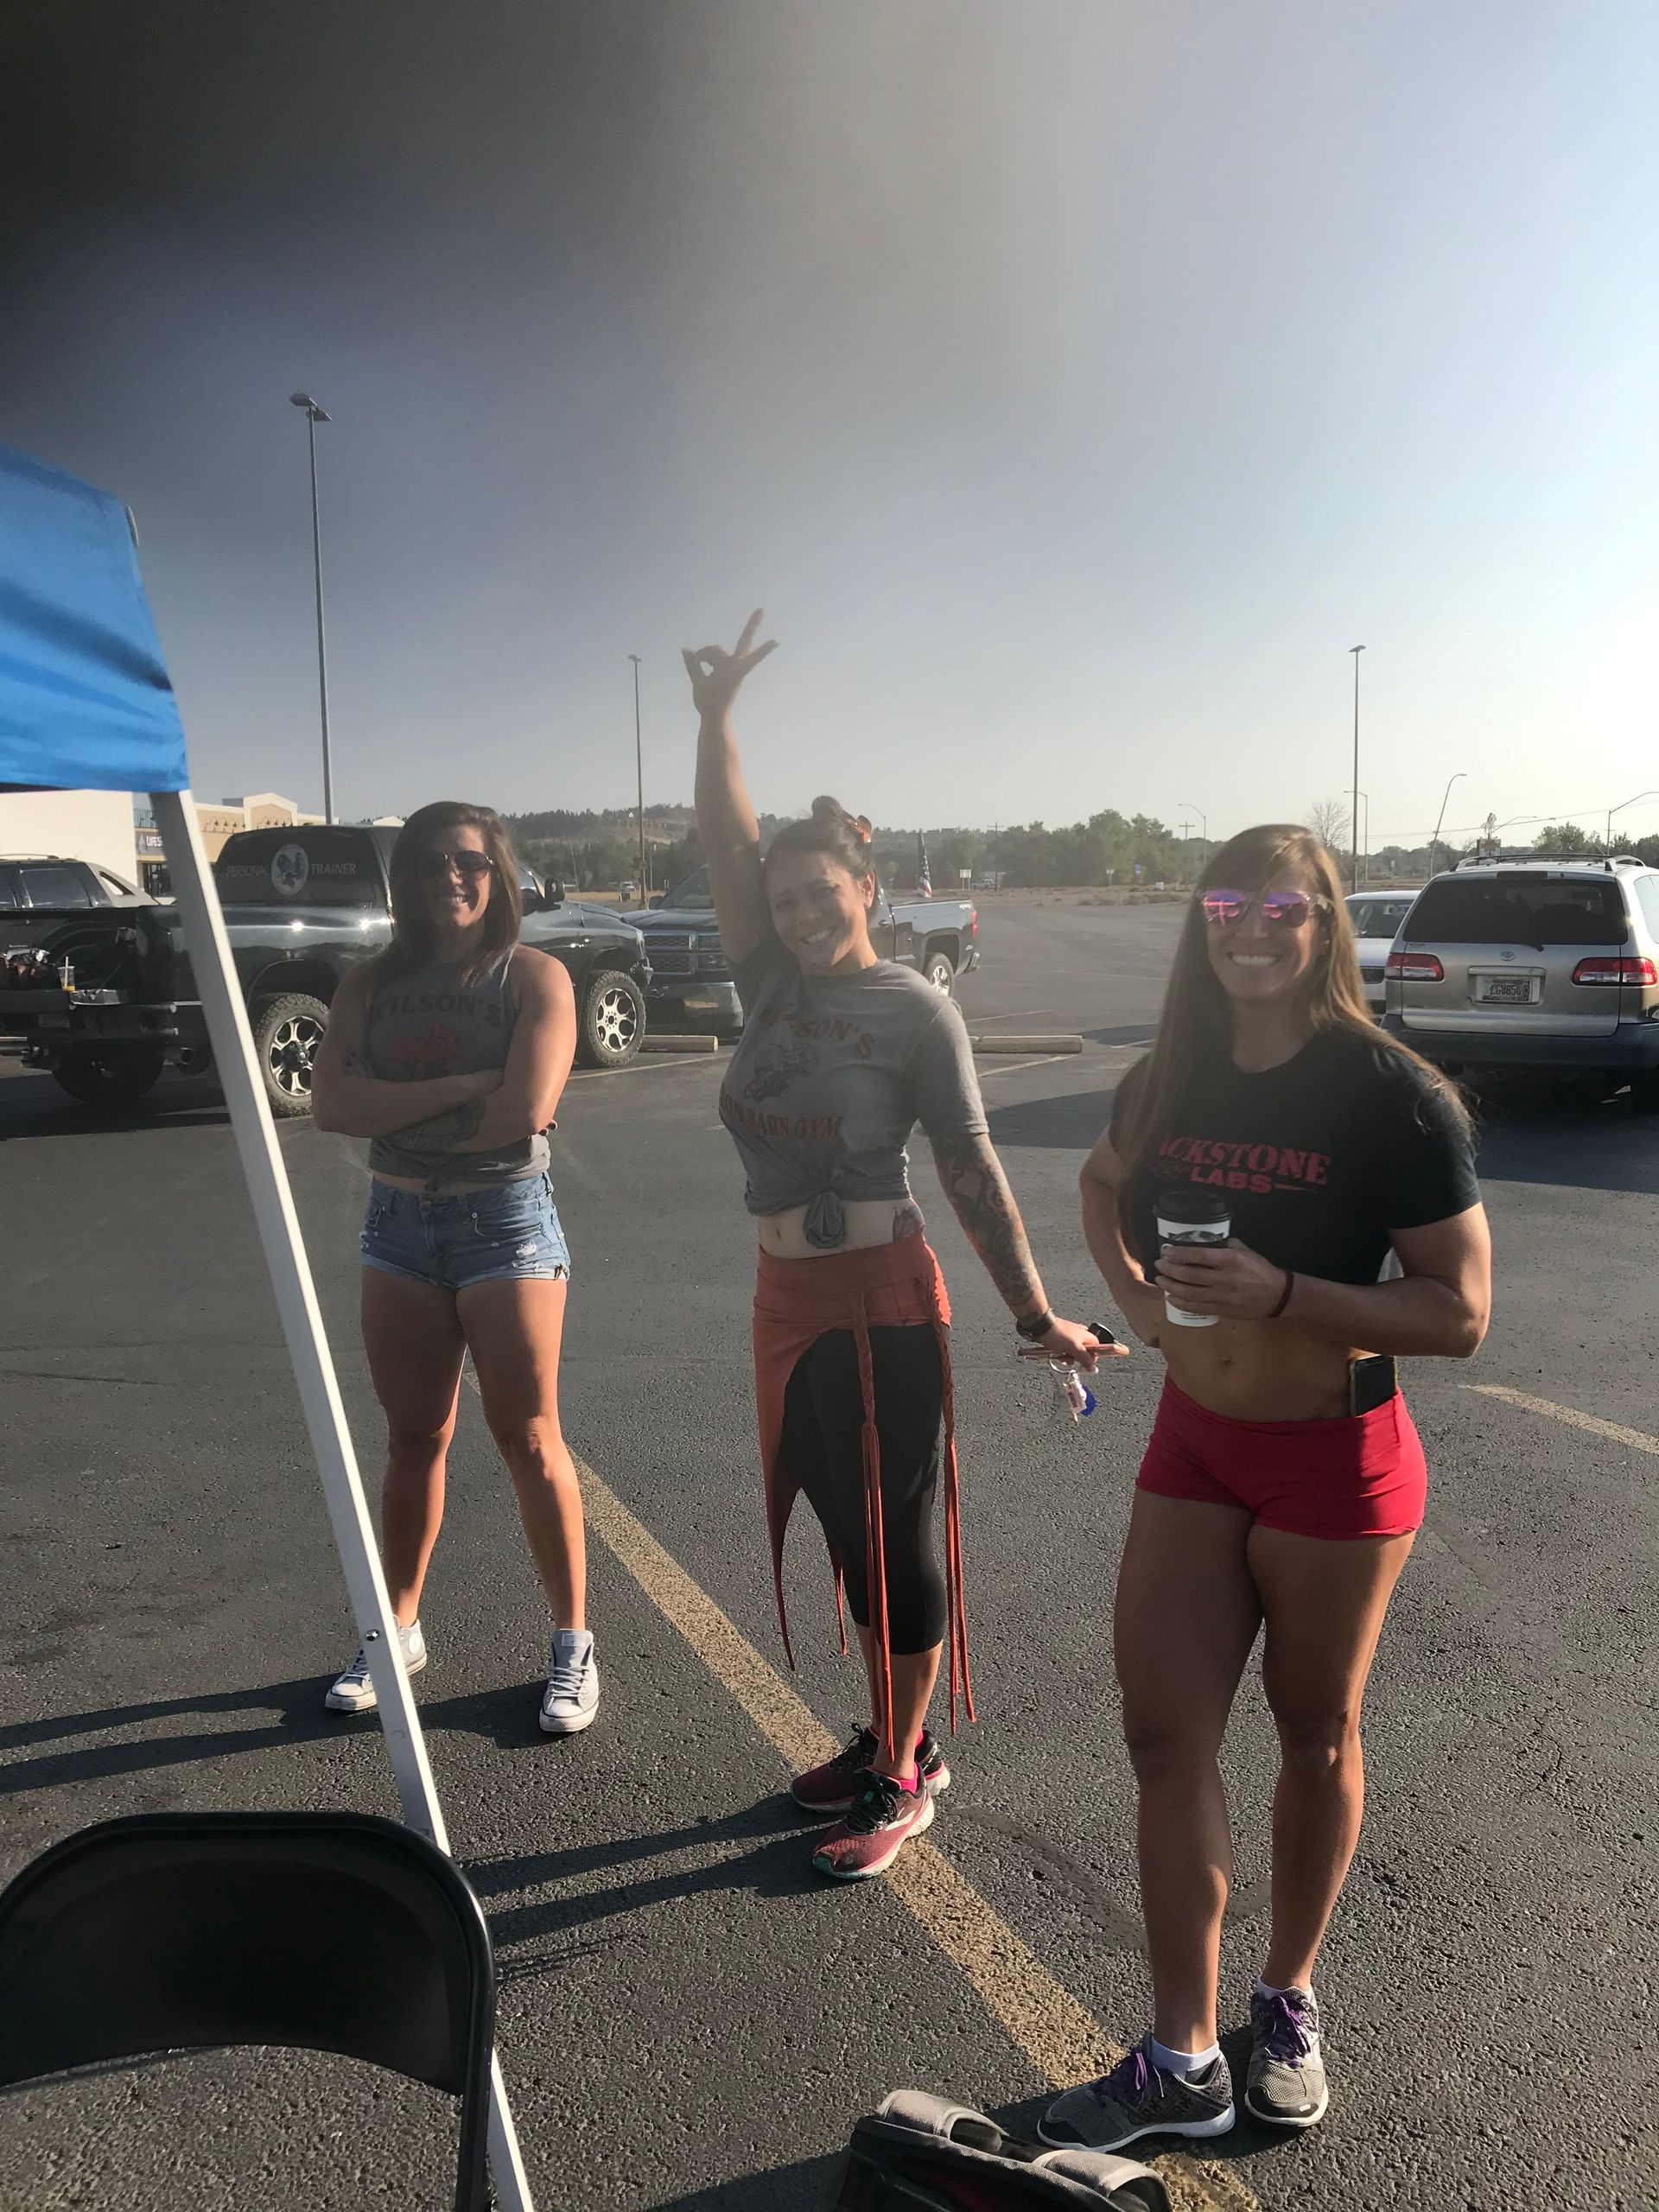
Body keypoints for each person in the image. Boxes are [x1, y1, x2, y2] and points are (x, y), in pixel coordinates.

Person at [1040, 823, 1490, 2153]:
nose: (1249, 927)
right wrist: (1133, 1303)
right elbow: (1101, 1183)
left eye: (1280, 907)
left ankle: (1285, 1999)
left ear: (1323, 923)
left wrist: (1285, 1292)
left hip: (1336, 1460)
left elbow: (1460, 1311)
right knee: (1163, 1739)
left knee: (1315, 1735)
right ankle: (1183, 2054)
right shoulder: (1169, 1073)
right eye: (1226, 902)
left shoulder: (1391, 1094)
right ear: (1202, 918)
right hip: (1194, 1442)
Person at [684, 612, 1119, 1881]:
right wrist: (714, 724)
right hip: (786, 1295)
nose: (806, 911)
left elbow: (975, 1167)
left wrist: (1033, 1313)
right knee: (841, 1528)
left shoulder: (916, 1008)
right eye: (786, 897)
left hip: (883, 1293)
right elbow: (723, 836)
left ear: (870, 891)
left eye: (827, 892)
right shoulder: (770, 985)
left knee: (901, 1538)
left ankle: (906, 1771)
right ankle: (892, 1728)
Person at [308, 801, 599, 1734]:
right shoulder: (366, 984)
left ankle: (572, 1647)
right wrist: (465, 1084)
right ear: (406, 880)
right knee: (412, 1438)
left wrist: (402, 1105)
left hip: (504, 1223)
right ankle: (397, 1628)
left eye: (470, 861)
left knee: (530, 1438)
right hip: (397, 1226)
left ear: (499, 872)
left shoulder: (535, 976)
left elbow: (525, 1107)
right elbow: (330, 1104)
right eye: (430, 862)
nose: (451, 877)